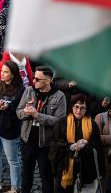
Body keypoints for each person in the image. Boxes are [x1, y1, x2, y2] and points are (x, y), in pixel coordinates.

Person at [16, 65, 67, 193]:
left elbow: (59, 121)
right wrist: (26, 113)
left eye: (38, 79)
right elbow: (18, 111)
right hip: (27, 141)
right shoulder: (29, 91)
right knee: (26, 174)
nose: (33, 81)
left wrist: (37, 116)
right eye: (34, 78)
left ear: (48, 80)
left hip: (46, 145)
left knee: (46, 177)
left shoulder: (59, 96)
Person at [0, 60, 25, 193]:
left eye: (6, 72)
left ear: (13, 74)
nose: (2, 74)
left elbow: (20, 112)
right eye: (2, 71)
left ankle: (15, 187)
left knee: (13, 160)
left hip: (10, 131)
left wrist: (8, 108)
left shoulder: (21, 90)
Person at [51, 94, 105, 193]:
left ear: (86, 109)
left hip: (86, 168)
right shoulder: (62, 122)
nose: (79, 111)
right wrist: (71, 147)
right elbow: (55, 144)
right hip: (65, 167)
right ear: (72, 107)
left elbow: (98, 147)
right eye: (76, 107)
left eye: (82, 108)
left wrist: (86, 145)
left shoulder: (92, 124)